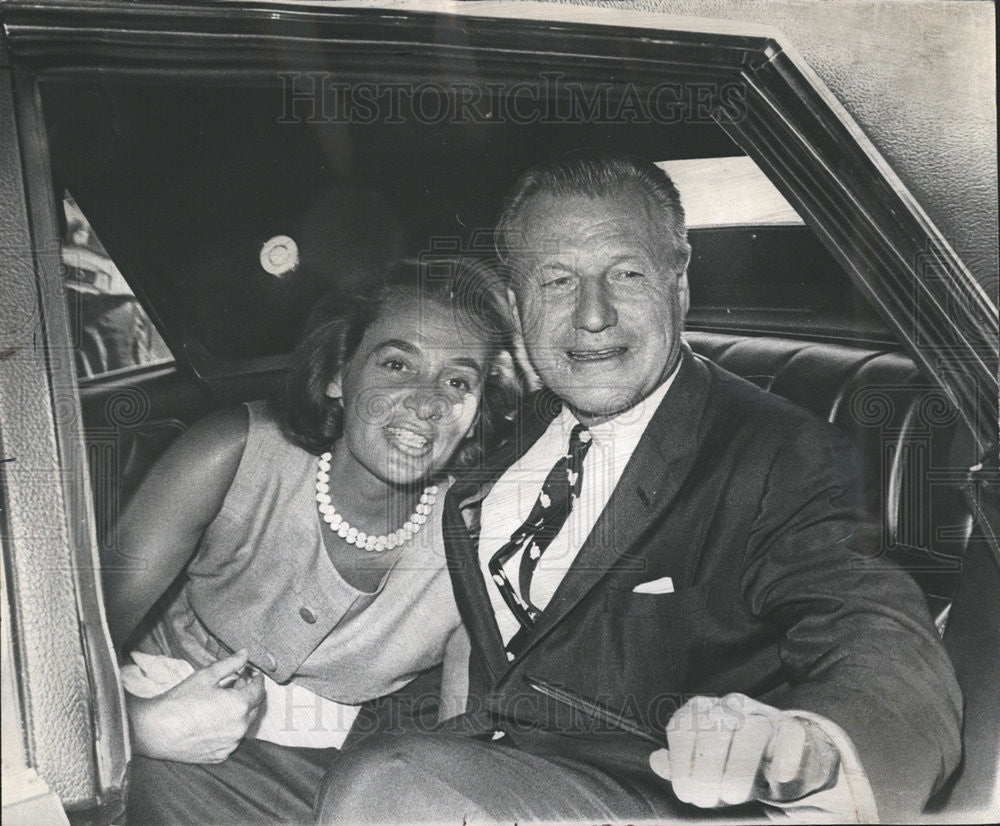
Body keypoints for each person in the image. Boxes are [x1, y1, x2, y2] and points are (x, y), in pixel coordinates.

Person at [315, 150, 962, 823]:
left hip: (650, 800)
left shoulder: (779, 453)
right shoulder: (508, 429)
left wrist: (806, 748)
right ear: (516, 304)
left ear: (678, 286)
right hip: (476, 762)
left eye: (625, 273)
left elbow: (882, 642)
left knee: (383, 784)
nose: (593, 315)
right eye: (558, 280)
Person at [100, 258, 519, 823]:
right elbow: (70, 642)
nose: (427, 402)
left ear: (476, 411)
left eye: (458, 381)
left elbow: (456, 744)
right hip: (152, 707)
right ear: (337, 376)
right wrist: (139, 726)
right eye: (397, 364)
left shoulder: (479, 537)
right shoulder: (230, 453)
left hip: (327, 773)